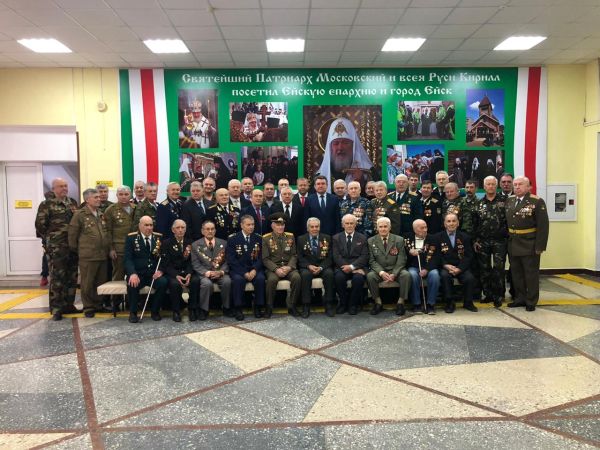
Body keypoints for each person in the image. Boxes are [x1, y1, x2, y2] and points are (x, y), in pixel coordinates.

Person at [35, 178, 80, 321]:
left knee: (72, 277)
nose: (64, 188)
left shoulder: (72, 202)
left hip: (72, 247)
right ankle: (56, 309)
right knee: (57, 278)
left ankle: (69, 305)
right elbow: (40, 226)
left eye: (65, 186)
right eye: (60, 186)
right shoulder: (46, 204)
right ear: (54, 188)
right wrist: (50, 241)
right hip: (56, 248)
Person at [505, 176, 549, 311]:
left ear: (528, 187)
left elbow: (543, 226)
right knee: (516, 274)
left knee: (530, 274)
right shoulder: (510, 200)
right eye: (515, 184)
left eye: (520, 184)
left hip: (529, 244)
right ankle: (520, 298)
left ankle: (531, 301)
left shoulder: (537, 201)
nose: (517, 187)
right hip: (513, 243)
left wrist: (540, 246)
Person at [68, 188, 110, 317]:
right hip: (88, 255)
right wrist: (80, 250)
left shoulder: (100, 213)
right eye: (95, 197)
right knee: (87, 283)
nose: (99, 199)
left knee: (100, 281)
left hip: (102, 254)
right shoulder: (80, 215)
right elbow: (72, 235)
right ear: (87, 199)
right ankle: (88, 307)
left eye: (99, 197)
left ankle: (98, 305)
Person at [473, 176, 508, 308]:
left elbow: (509, 221)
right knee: (485, 269)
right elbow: (475, 223)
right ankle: (487, 294)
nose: (491, 186)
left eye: (493, 184)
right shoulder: (479, 203)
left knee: (498, 269)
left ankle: (499, 295)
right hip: (483, 241)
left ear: (496, 186)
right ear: (484, 186)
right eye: (488, 184)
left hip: (500, 241)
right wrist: (475, 240)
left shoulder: (505, 201)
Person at [124, 215, 167, 323]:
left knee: (163, 282)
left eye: (151, 225)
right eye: (146, 225)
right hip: (138, 273)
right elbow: (128, 259)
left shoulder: (159, 238)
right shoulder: (131, 238)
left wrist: (161, 270)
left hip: (153, 274)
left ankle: (155, 311)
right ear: (139, 226)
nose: (149, 228)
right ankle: (133, 312)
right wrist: (132, 273)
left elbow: (164, 258)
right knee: (132, 283)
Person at [366, 217, 411, 316]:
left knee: (406, 275)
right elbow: (371, 260)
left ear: (390, 227)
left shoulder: (399, 239)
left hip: (395, 269)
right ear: (377, 228)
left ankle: (400, 303)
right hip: (380, 270)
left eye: (385, 226)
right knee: (370, 276)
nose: (383, 229)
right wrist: (381, 272)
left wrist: (394, 273)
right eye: (380, 227)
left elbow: (402, 259)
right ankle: (378, 303)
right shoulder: (371, 241)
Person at [316, 117, 374, 191]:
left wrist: (362, 183)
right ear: (330, 147)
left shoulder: (368, 171)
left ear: (353, 146)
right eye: (336, 143)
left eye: (345, 143)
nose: (340, 148)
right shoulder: (320, 176)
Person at [226, 215, 266, 320]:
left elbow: (262, 257)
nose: (251, 227)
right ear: (242, 225)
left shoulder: (258, 238)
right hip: (239, 270)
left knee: (260, 279)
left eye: (253, 224)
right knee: (238, 280)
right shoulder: (233, 239)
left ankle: (258, 306)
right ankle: (238, 308)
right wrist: (244, 272)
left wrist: (255, 269)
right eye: (248, 225)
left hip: (254, 269)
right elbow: (231, 260)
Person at [262, 213, 301, 317]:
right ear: (272, 226)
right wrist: (276, 269)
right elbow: (265, 258)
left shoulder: (290, 236)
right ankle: (269, 306)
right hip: (273, 268)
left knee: (297, 277)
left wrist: (289, 267)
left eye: (282, 225)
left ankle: (292, 305)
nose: (280, 227)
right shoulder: (266, 238)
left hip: (288, 267)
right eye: (278, 225)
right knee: (271, 280)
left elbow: (294, 255)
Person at [438, 213, 478, 313]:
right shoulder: (438, 237)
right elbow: (437, 255)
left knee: (469, 278)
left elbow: (469, 256)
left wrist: (459, 268)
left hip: (461, 266)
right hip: (446, 267)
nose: (451, 223)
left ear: (458, 223)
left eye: (454, 221)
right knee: (445, 276)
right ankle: (449, 302)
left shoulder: (465, 237)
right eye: (448, 221)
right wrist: (445, 265)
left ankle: (468, 302)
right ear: (444, 224)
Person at [191, 220, 232, 320]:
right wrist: (207, 273)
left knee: (227, 281)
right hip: (205, 273)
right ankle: (204, 310)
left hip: (220, 272)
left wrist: (221, 272)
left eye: (212, 229)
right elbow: (195, 263)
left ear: (215, 231)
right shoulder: (195, 245)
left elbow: (227, 261)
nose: (210, 231)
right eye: (207, 229)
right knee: (207, 284)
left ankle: (226, 307)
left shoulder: (224, 243)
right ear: (202, 231)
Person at [161, 220, 199, 322]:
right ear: (173, 230)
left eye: (183, 228)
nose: (180, 230)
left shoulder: (191, 243)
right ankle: (176, 311)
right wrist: (176, 275)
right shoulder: (166, 243)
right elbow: (166, 264)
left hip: (188, 272)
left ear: (185, 229)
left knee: (195, 281)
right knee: (174, 284)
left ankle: (192, 309)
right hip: (173, 273)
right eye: (178, 228)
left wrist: (189, 273)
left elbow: (192, 261)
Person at [104, 186, 136, 308]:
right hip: (119, 249)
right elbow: (107, 231)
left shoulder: (135, 208)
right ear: (117, 195)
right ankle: (115, 303)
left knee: (133, 275)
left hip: (134, 248)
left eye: (126, 194)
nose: (123, 197)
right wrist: (111, 248)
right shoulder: (110, 210)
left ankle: (130, 302)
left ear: (130, 195)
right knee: (118, 276)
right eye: (121, 194)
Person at [332, 214, 369, 315]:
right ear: (343, 225)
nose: (349, 225)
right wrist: (346, 267)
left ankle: (352, 304)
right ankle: (343, 303)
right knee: (339, 278)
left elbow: (364, 256)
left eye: (351, 223)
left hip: (357, 267)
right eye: (347, 223)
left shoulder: (362, 238)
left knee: (358, 279)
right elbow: (336, 256)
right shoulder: (336, 238)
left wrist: (352, 267)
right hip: (341, 267)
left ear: (355, 224)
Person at [297, 217, 334, 318]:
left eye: (316, 226)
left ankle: (329, 304)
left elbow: (330, 257)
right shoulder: (301, 239)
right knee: (305, 275)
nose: (314, 229)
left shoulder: (327, 238)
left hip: (323, 266)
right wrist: (308, 266)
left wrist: (321, 267)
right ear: (307, 228)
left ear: (319, 227)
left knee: (329, 274)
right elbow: (299, 256)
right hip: (307, 267)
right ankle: (306, 305)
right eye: (312, 227)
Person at [405, 219, 441, 314]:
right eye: (422, 228)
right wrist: (409, 252)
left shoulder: (433, 238)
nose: (425, 230)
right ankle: (416, 304)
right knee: (412, 275)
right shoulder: (407, 238)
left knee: (435, 275)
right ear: (415, 229)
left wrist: (427, 269)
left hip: (429, 266)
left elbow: (437, 257)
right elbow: (403, 255)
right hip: (414, 266)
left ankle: (430, 304)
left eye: (426, 227)